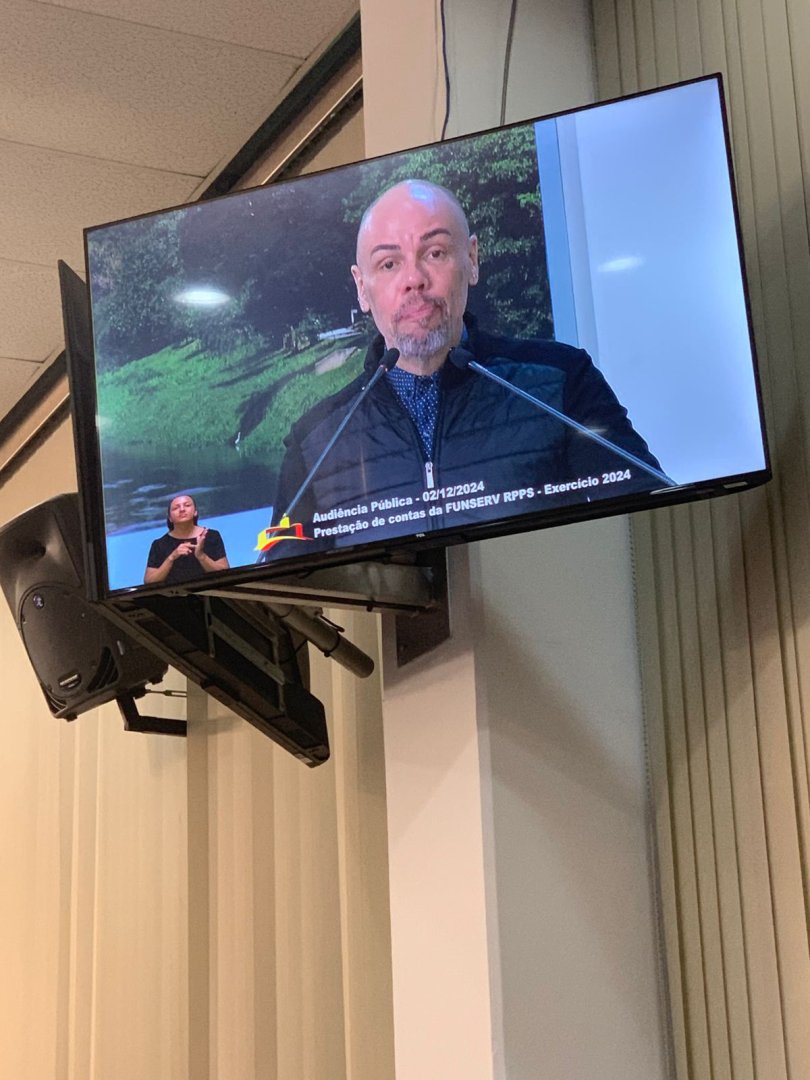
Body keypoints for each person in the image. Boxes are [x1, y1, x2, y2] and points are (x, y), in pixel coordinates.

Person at [265, 179, 666, 556]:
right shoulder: (314, 441)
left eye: (435, 253)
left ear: (471, 260)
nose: (413, 279)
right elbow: (283, 589)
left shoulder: (561, 381)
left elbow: (658, 523)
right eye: (388, 264)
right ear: (361, 288)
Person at [144, 493, 229, 585]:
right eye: (176, 508)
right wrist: (171, 557)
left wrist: (201, 556)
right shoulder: (159, 544)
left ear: (195, 512)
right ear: (170, 518)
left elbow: (225, 574)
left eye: (187, 505)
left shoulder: (212, 536)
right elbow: (149, 581)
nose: (182, 509)